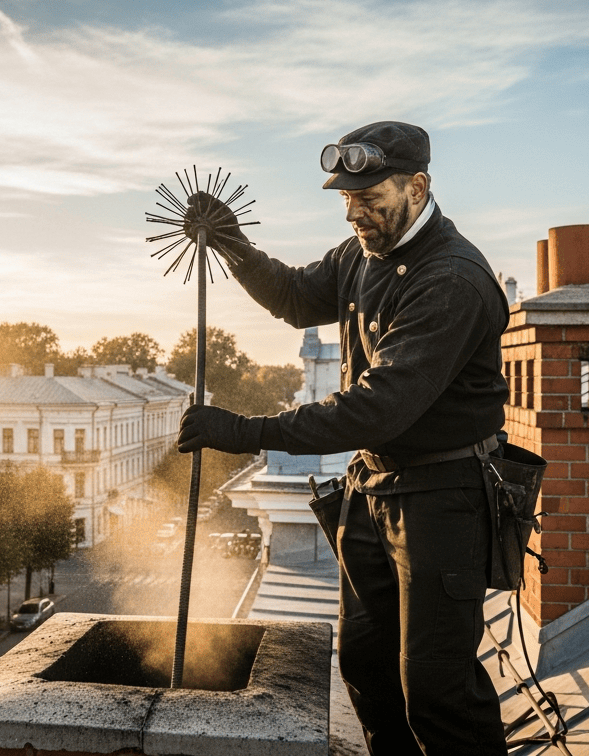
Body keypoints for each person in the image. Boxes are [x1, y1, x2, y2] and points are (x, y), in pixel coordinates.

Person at [175, 121, 508, 754]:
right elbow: (298, 297)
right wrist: (233, 243)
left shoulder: (451, 279)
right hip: (375, 491)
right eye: (346, 199)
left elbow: (375, 411)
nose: (354, 213)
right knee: (367, 668)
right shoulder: (362, 253)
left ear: (418, 187)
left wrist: (246, 432)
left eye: (369, 198)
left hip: (444, 498)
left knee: (437, 691)